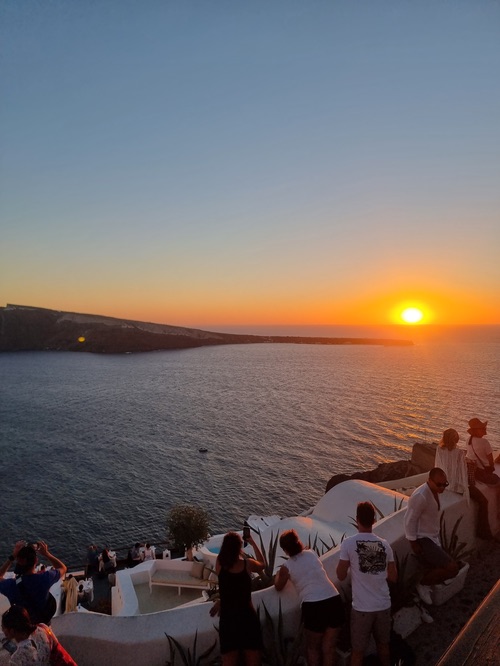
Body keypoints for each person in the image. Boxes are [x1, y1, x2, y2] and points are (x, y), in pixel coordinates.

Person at [336, 502, 396, 666]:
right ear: (374, 519)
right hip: (383, 605)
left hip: (362, 609)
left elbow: (340, 576)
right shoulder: (385, 545)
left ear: (357, 520)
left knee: (357, 654)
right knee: (383, 647)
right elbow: (393, 577)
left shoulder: (348, 544)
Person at [275, 529, 345, 666]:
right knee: (328, 648)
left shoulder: (286, 567)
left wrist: (279, 574)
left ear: (284, 549)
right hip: (334, 599)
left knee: (313, 649)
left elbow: (278, 586)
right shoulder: (311, 554)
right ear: (298, 542)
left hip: (314, 606)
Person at [209, 531, 265, 666]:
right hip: (247, 618)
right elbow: (262, 564)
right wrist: (252, 542)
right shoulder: (247, 564)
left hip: (228, 621)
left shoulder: (219, 564)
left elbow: (229, 588)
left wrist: (222, 600)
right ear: (239, 547)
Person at [404, 468, 459, 603]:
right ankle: (422, 584)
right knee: (452, 568)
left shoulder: (433, 491)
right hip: (423, 540)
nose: (442, 488)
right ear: (429, 481)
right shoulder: (420, 496)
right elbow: (410, 520)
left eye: (445, 484)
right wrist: (414, 543)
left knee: (439, 567)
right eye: (439, 484)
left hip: (432, 537)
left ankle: (427, 585)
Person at [436, 428, 494, 540]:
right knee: (483, 501)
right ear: (455, 439)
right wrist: (466, 487)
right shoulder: (459, 453)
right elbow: (462, 474)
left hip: (446, 484)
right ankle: (483, 532)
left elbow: (438, 466)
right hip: (457, 486)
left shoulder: (439, 449)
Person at [0, 541, 67, 625]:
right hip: (44, 622)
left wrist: (12, 556)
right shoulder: (45, 578)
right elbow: (63, 568)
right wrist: (47, 554)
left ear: (18, 561)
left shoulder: (11, 585)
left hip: (24, 624)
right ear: (36, 560)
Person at [465, 418, 499, 486]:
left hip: (473, 471)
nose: (484, 428)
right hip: (482, 472)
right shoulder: (484, 442)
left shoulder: (469, 440)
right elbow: (491, 461)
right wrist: (491, 469)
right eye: (482, 428)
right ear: (476, 430)